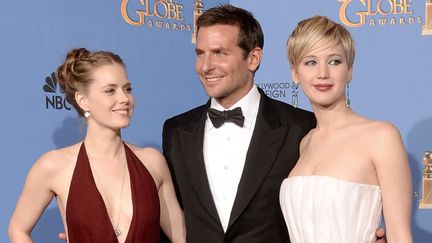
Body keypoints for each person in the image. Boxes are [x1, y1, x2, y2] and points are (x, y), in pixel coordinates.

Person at [8, 48, 186, 243]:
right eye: (110, 90)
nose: (124, 98)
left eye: (127, 89)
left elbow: (181, 236)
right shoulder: (54, 166)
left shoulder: (153, 162)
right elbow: (18, 230)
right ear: (83, 101)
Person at [279, 16, 413, 243]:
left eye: (334, 61)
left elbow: (400, 235)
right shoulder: (305, 142)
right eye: (310, 62)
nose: (322, 73)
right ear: (294, 73)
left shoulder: (381, 136)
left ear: (349, 70)